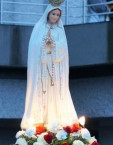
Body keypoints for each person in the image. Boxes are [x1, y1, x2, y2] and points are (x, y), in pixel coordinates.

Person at [21, 0, 78, 130]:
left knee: (56, 94)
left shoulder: (59, 31)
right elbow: (34, 47)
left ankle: (57, 120)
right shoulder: (39, 28)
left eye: (58, 15)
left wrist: (54, 46)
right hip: (42, 70)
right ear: (48, 14)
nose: (55, 17)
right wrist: (43, 45)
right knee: (42, 92)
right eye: (53, 14)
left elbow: (63, 49)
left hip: (55, 70)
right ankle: (39, 120)